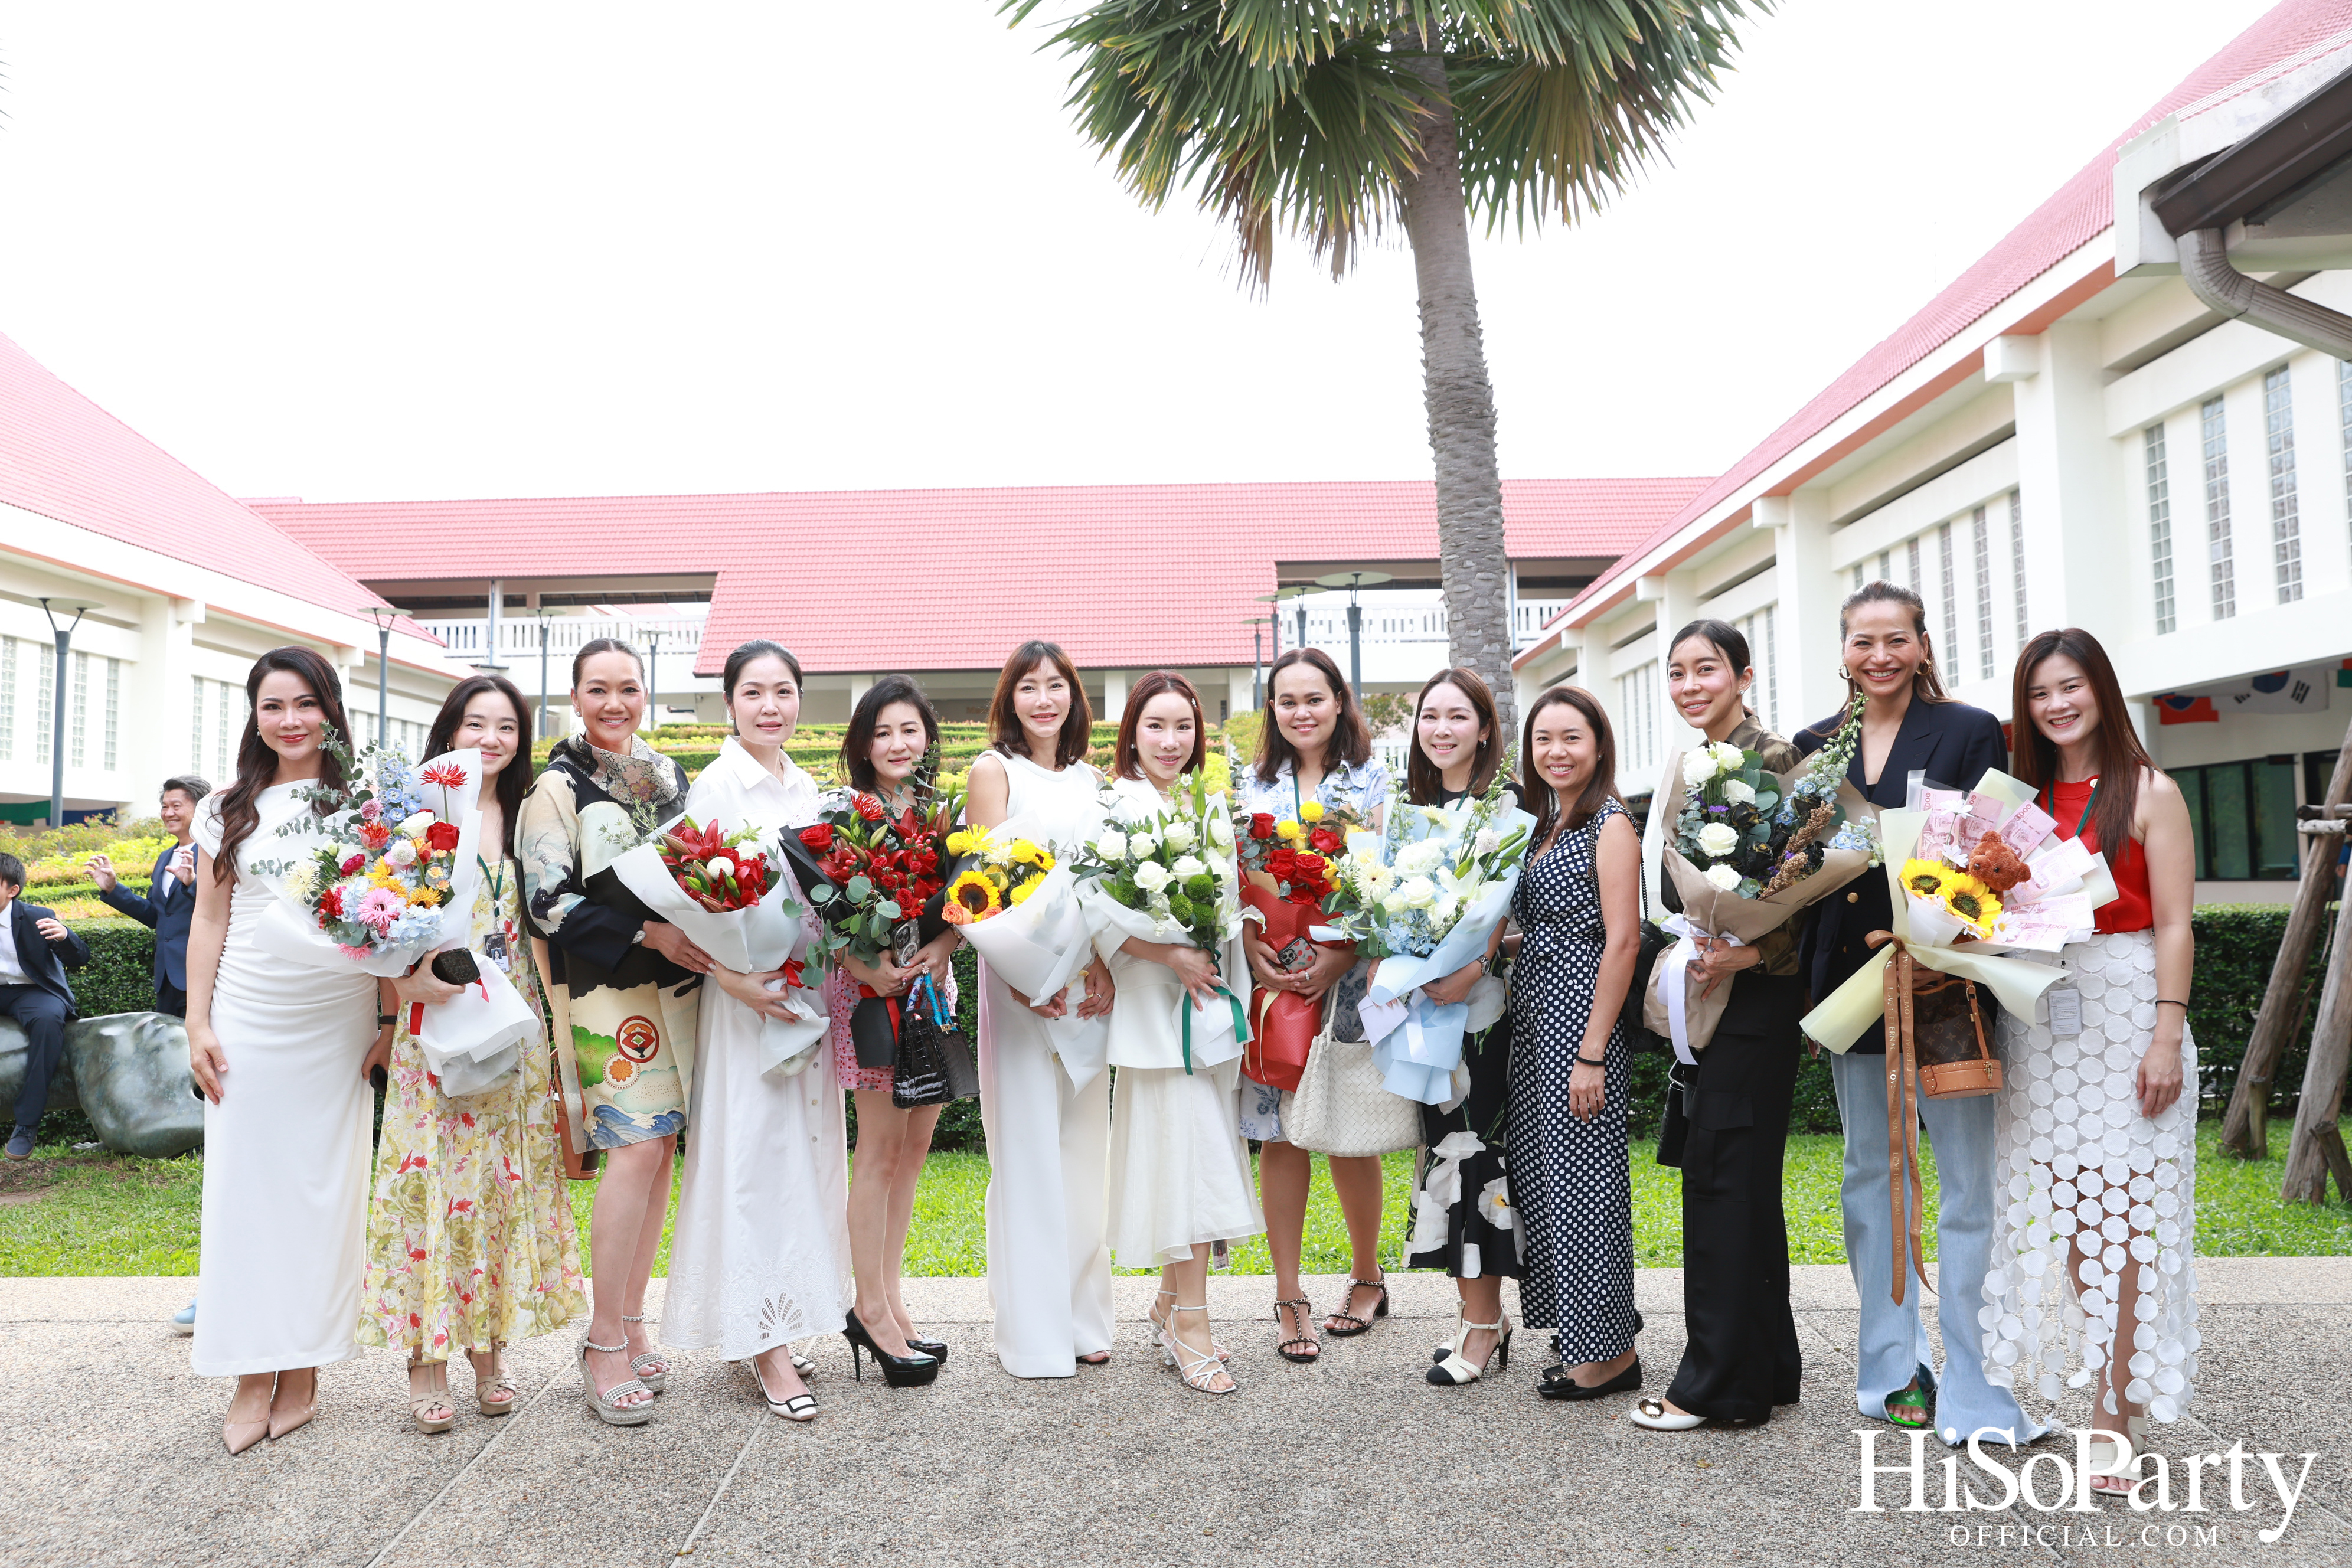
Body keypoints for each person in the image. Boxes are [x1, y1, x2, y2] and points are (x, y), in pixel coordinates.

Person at [1794, 580, 2036, 1449]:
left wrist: (1945, 927)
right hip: (1851, 982)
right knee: (1872, 1175)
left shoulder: (1971, 731)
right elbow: (1801, 868)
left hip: (1947, 983)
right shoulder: (1814, 746)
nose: (1880, 657)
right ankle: (1894, 1369)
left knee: (1968, 1182)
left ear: (1923, 645)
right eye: (1864, 642)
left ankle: (1973, 1376)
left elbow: (1996, 853)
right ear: (1844, 651)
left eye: (1896, 640)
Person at [1988, 629, 2197, 1491]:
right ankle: (2114, 1382)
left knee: (2125, 1216)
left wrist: (2164, 1033)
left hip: (2126, 1009)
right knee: (2078, 1221)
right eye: (2040, 693)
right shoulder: (2019, 799)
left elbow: (2178, 923)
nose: (2056, 705)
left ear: (2101, 690)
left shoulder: (2150, 791)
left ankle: (2116, 1409)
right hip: (2043, 1020)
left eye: (2070, 686)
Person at [358, 674, 587, 1433]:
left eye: (507, 728)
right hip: (438, 1020)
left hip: (511, 1021)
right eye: (475, 724)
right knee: (431, 1184)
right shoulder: (412, 815)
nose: (490, 740)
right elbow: (377, 922)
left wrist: (558, 1046)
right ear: (448, 732)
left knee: (495, 1185)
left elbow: (545, 932)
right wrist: (400, 999)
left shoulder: (529, 816)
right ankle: (426, 1358)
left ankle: (489, 1350)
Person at [184, 647, 378, 1453]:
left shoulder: (367, 804)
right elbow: (208, 921)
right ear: (254, 715)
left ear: (329, 710)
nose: (291, 720)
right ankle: (246, 1370)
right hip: (251, 1017)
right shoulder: (226, 807)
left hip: (337, 1022)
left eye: (305, 703)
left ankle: (303, 1368)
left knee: (322, 1194)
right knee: (244, 1193)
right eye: (273, 706)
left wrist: (392, 1025)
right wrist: (198, 1023)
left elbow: (403, 913)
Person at [519, 638, 704, 1427]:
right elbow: (544, 902)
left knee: (660, 1146)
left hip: (679, 985)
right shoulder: (554, 789)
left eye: (629, 688)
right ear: (574, 696)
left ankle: (632, 1319)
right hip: (606, 989)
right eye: (598, 690)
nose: (615, 704)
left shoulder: (668, 775)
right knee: (633, 1146)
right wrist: (646, 935)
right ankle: (601, 1343)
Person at [665, 641, 851, 1423]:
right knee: (753, 1156)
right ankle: (764, 1344)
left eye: (782, 692)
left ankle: (778, 1314)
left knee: (802, 1157)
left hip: (804, 997)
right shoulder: (713, 787)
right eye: (753, 692)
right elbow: (690, 904)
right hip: (747, 1004)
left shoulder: (808, 786)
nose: (769, 706)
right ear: (729, 703)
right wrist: (741, 980)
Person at [1629, 621, 1805, 1431]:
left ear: (1743, 673)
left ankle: (1715, 1387)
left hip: (1756, 1003)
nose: (1691, 684)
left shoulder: (1775, 759)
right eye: (1677, 672)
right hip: (1714, 986)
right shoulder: (1691, 760)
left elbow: (1818, 891)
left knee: (1725, 1185)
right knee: (1741, 1188)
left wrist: (1756, 950)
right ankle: (1767, 1369)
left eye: (1707, 669)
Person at [1096, 671, 1263, 1395]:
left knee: (1188, 1158)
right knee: (1184, 1163)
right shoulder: (1115, 809)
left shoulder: (1207, 808)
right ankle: (1190, 1321)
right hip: (1150, 1015)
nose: (1171, 741)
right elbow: (1098, 916)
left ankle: (1171, 1302)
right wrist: (1169, 953)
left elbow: (1225, 909)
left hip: (1205, 1012)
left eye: (1184, 727)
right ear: (1132, 730)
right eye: (1157, 726)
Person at [965, 641, 1118, 1379]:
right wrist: (1029, 975)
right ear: (1010, 698)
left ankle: (1085, 1315)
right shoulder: (993, 773)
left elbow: (1111, 888)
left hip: (1087, 986)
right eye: (1028, 687)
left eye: (1056, 685)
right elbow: (984, 887)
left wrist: (1104, 967)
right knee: (1026, 1152)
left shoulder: (1098, 781)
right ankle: (1031, 1329)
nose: (1043, 699)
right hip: (1020, 985)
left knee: (1085, 1154)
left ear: (1074, 696)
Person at [1235, 646, 1390, 1363]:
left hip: (1350, 977)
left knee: (1347, 1126)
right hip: (1276, 977)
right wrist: (1249, 942)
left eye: (1314, 698)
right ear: (1274, 709)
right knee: (1279, 1133)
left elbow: (1387, 880)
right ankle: (1289, 1294)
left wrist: (1345, 953)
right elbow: (1236, 880)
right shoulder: (1252, 784)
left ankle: (1367, 1276)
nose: (1301, 712)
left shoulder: (1375, 777)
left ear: (1339, 701)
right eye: (1287, 701)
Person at [1508, 686, 1645, 1404]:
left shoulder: (1610, 824)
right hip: (1536, 1017)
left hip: (1578, 1023)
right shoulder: (1548, 824)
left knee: (1586, 1186)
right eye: (1543, 741)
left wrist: (1592, 1050)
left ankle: (1611, 1354)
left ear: (1598, 745)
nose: (1556, 752)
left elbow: (1622, 939)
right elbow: (1546, 924)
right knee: (1549, 1181)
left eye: (1571, 738)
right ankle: (1589, 1332)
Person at [827, 675, 959, 1387]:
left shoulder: (945, 814)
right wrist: (866, 965)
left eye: (910, 730)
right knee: (877, 1153)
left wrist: (942, 950)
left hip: (930, 993)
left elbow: (969, 904)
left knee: (913, 1154)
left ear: (926, 737)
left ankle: (895, 1301)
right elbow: (819, 919)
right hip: (874, 997)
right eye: (882, 732)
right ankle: (868, 1308)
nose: (898, 743)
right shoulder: (845, 816)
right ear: (863, 745)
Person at [1393, 669, 1524, 1387]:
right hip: (1425, 1009)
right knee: (1443, 1149)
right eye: (1430, 717)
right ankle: (1479, 1315)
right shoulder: (1413, 809)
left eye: (1457, 716)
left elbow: (1510, 914)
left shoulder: (1506, 807)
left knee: (1476, 1155)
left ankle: (1481, 1326)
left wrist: (1471, 969)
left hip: (1482, 1013)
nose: (1441, 729)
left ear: (1483, 725)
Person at [89, 775, 210, 1017]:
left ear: (202, 809)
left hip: (201, 975)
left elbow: (221, 910)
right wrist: (114, 889)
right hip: (166, 979)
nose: (168, 813)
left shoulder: (213, 853)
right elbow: (157, 916)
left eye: (177, 806)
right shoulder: (165, 857)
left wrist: (192, 884)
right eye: (165, 806)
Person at [0, 854, 92, 1160]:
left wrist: (66, 936)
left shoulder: (38, 916)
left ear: (12, 890)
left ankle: (26, 1124)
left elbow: (79, 958)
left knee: (49, 1021)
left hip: (33, 991)